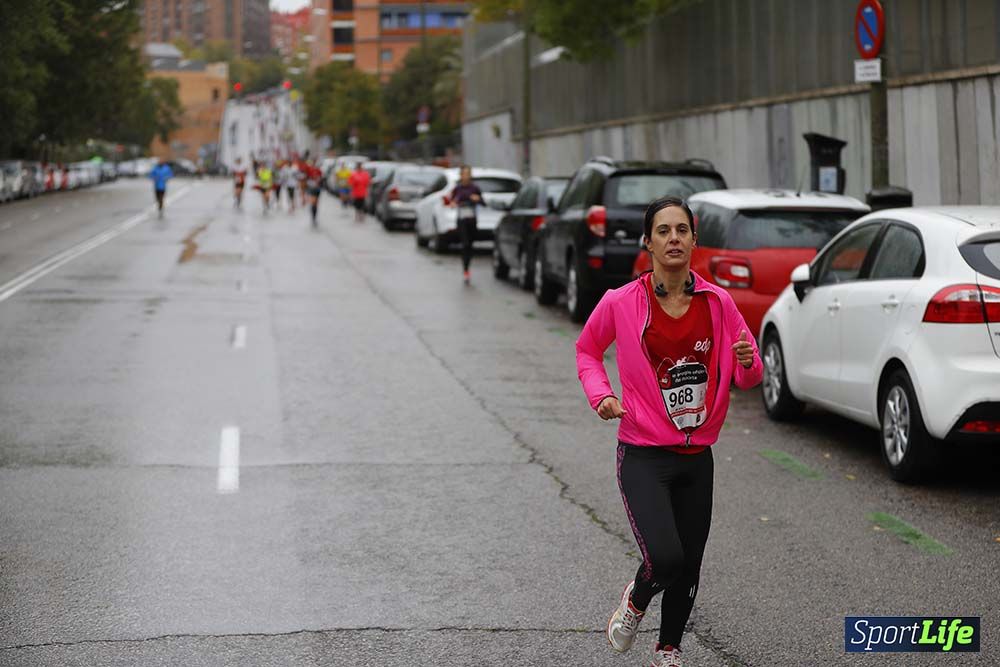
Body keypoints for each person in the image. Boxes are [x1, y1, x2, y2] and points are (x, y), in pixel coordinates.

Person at [575, 196, 762, 667]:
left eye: (682, 230)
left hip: (697, 457)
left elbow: (749, 373)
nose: (673, 238)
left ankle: (669, 651)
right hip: (642, 453)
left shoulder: (718, 303)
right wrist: (602, 396)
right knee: (666, 556)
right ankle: (636, 602)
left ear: (694, 241)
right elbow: (587, 351)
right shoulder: (621, 302)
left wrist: (747, 361)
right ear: (648, 242)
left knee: (689, 565)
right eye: (663, 231)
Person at [448, 165, 483, 284]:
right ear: (461, 175)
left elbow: (483, 202)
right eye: (464, 173)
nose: (466, 176)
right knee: (465, 244)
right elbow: (451, 201)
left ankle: (468, 265)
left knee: (470, 245)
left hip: (472, 220)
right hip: (461, 220)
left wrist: (477, 199)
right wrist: (453, 203)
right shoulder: (457, 189)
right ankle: (466, 270)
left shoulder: (475, 188)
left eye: (468, 173)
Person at [303, 158, 323, 229]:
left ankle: (315, 217)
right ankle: (313, 218)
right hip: (311, 188)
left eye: (315, 162)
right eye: (313, 161)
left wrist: (319, 182)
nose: (314, 163)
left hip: (317, 189)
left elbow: (321, 178)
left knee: (316, 204)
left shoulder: (319, 170)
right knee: (313, 202)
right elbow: (306, 177)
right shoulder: (309, 169)